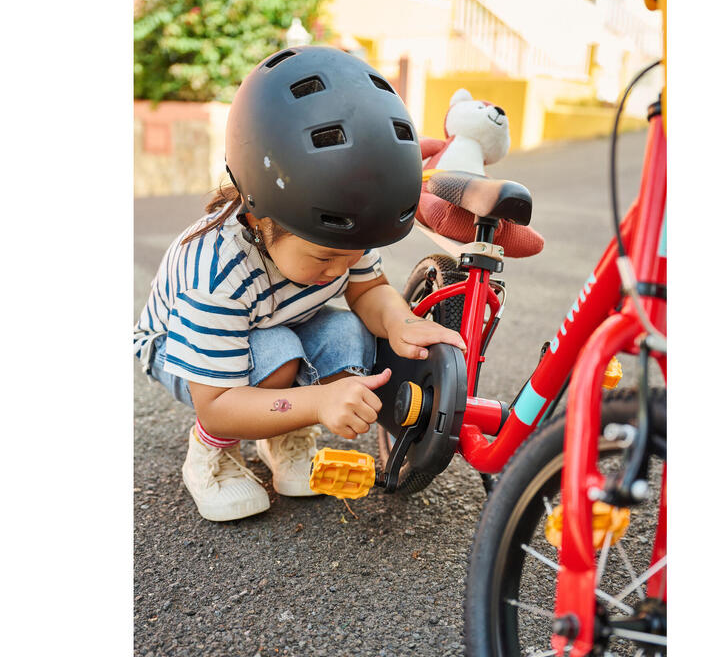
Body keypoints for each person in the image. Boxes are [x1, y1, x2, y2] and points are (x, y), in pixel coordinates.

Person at [134, 46, 466, 521]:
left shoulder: (340, 230)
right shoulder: (216, 272)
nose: (340, 269)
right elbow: (217, 404)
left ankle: (283, 436)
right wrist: (317, 401)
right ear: (259, 213)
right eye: (325, 257)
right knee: (275, 355)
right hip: (186, 354)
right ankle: (211, 457)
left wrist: (399, 319)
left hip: (278, 322)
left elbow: (367, 291)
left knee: (347, 332)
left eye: (351, 255)